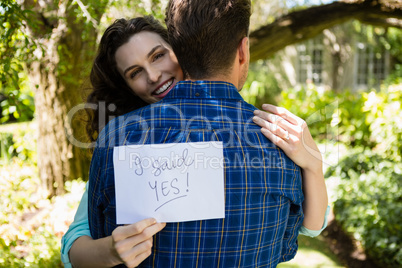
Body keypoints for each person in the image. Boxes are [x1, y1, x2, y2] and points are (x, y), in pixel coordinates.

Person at [61, 9, 328, 268]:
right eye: (135, 73)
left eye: (158, 56)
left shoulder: (256, 127)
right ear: (127, 85)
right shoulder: (123, 142)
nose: (153, 76)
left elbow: (314, 223)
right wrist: (109, 251)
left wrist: (313, 165)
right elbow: (74, 246)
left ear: (182, 49)